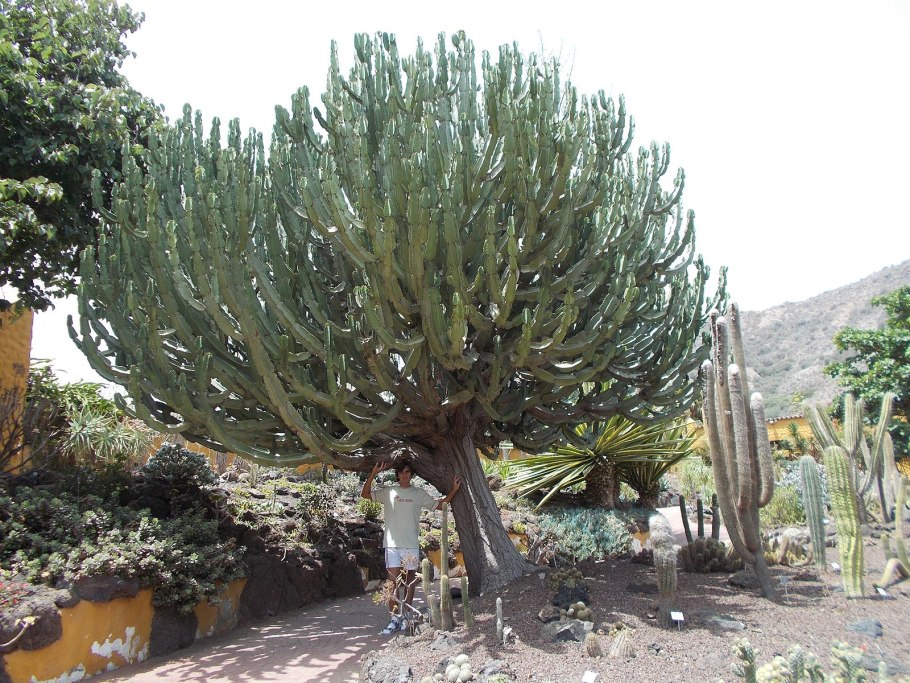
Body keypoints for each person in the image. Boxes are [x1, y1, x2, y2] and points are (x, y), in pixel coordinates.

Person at [361, 459, 462, 634]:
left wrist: (454, 490)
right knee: (392, 582)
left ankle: (406, 616)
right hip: (392, 544)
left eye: (407, 471)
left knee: (410, 581)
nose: (404, 475)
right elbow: (365, 494)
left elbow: (440, 505)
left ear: (411, 474)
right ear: (397, 475)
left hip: (410, 545)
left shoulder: (418, 493)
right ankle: (394, 619)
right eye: (401, 472)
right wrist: (373, 473)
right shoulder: (389, 492)